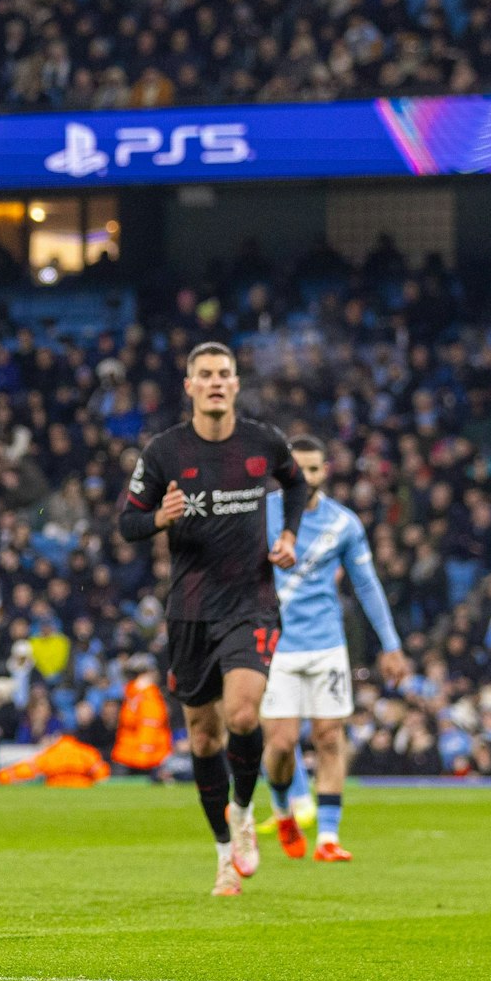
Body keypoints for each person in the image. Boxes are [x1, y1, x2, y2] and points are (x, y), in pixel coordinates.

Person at [117, 342, 306, 896]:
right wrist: (159, 517)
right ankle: (224, 854)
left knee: (244, 715)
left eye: (225, 373)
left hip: (251, 602)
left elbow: (295, 483)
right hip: (191, 612)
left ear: (236, 384)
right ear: (190, 385)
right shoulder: (164, 452)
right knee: (202, 739)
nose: (217, 382)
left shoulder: (263, 441)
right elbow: (127, 525)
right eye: (206, 374)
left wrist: (288, 533)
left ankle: (244, 812)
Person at [259, 437, 409, 863]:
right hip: (276, 644)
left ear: (325, 472)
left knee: (328, 737)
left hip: (326, 644)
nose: (305, 478)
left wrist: (391, 644)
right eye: (296, 469)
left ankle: (327, 836)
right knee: (282, 743)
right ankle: (283, 809)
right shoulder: (261, 517)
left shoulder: (342, 523)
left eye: (313, 469)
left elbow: (366, 584)